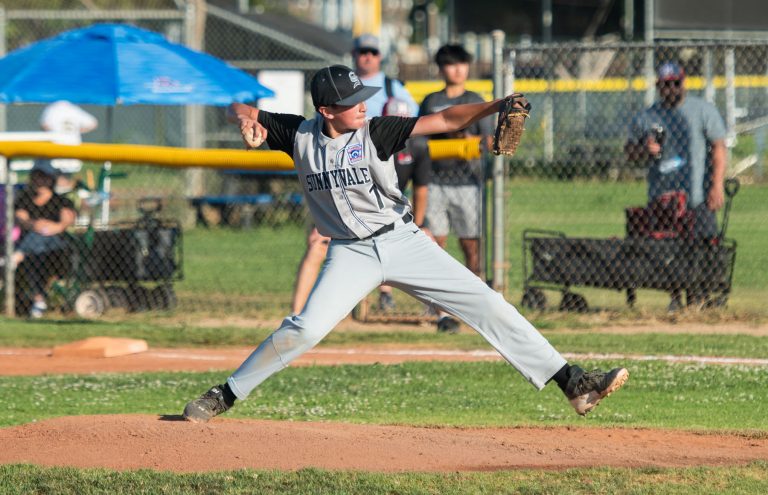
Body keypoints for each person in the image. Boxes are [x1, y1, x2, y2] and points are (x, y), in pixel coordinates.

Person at [182, 64, 629, 423]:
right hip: (349, 253)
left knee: (486, 303)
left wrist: (496, 105)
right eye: (350, 102)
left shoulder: (377, 131)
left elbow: (446, 119)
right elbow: (236, 107)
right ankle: (225, 393)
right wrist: (246, 122)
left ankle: (573, 382)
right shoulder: (297, 134)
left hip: (402, 240)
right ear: (325, 110)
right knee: (306, 328)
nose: (362, 106)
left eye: (362, 98)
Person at [291, 34, 421, 315]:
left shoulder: (391, 89)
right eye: (363, 51)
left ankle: (421, 308)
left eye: (373, 52)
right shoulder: (336, 85)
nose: (368, 56)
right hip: (337, 176)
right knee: (319, 244)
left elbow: (423, 124)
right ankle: (301, 316)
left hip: (379, 181)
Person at [625, 61, 727, 310]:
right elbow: (629, 151)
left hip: (697, 196)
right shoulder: (647, 116)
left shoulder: (702, 110)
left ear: (683, 83)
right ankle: (675, 297)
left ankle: (700, 296)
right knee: (668, 249)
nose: (670, 88)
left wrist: (716, 185)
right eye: (665, 84)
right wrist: (644, 149)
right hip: (662, 198)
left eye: (675, 83)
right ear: (658, 86)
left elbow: (719, 147)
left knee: (704, 245)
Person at [419, 44, 493, 333]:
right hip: (436, 180)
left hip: (468, 182)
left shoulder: (475, 100)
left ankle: (475, 308)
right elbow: (418, 135)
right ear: (441, 69)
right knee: (435, 247)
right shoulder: (431, 101)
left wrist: (464, 137)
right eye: (451, 64)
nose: (457, 69)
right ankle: (442, 314)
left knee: (471, 246)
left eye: (462, 63)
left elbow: (487, 140)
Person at [13, 160, 76, 318]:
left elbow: (65, 222)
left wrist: (50, 227)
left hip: (56, 246)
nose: (39, 180)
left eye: (43, 176)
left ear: (51, 178)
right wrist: (36, 225)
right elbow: (22, 219)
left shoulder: (61, 200)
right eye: (36, 176)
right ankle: (39, 300)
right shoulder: (24, 199)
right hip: (35, 248)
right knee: (36, 247)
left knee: (41, 237)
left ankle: (17, 256)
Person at [40, 100, 98, 196]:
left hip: (57, 146)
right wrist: (76, 131)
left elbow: (44, 126)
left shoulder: (52, 109)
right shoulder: (74, 109)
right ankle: (68, 193)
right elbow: (93, 123)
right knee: (64, 177)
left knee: (58, 178)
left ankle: (62, 196)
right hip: (73, 147)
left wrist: (54, 133)